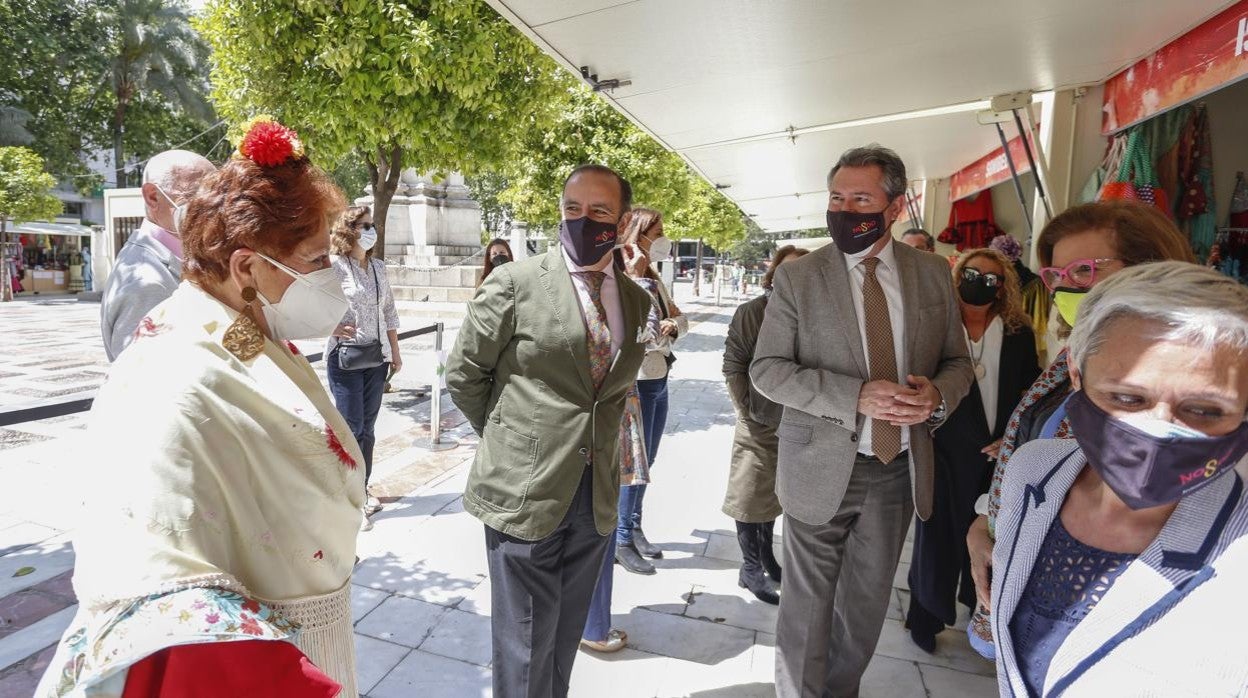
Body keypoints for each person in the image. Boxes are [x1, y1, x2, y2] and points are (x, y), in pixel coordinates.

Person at [37, 118, 363, 696]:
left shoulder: (243, 328)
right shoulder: (172, 378)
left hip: (310, 638)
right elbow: (164, 592)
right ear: (246, 268)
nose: (333, 279)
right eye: (316, 260)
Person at [751, 144, 974, 697]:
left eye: (860, 198)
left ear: (895, 207)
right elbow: (767, 370)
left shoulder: (931, 274)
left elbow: (959, 363)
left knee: (866, 605)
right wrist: (854, 396)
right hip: (819, 464)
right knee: (805, 608)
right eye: (836, 198)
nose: (844, 209)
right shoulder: (800, 277)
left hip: (896, 469)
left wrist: (936, 396)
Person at [991, 261, 1248, 696]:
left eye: (1204, 410)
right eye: (1128, 397)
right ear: (1076, 373)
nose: (1159, 429)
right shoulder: (1033, 470)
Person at [446, 164, 652, 698]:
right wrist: (513, 441)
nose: (584, 222)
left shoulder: (635, 300)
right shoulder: (513, 283)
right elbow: (465, 376)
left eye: (600, 212)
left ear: (623, 221)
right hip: (525, 490)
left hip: (595, 494)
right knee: (524, 648)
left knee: (562, 637)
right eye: (573, 210)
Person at [964, 200, 1197, 658]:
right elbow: (1034, 449)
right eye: (1057, 276)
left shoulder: (1188, 378)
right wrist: (983, 525)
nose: (1065, 288)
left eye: (1085, 271)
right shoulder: (1071, 361)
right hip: (1023, 586)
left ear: (1150, 268)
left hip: (1107, 619)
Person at [905, 248, 1040, 653]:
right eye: (972, 273)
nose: (979, 282)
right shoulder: (937, 325)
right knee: (936, 537)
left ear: (1003, 287)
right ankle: (924, 616)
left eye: (990, 277)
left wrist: (1013, 438)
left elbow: (1029, 389)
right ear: (957, 275)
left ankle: (975, 605)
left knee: (984, 536)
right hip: (943, 447)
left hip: (995, 453)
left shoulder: (1018, 331)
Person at [582, 231, 663, 652]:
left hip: (584, 427)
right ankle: (594, 627)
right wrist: (637, 282)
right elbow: (645, 337)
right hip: (608, 423)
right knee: (600, 525)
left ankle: (588, 623)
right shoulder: (627, 295)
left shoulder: (573, 289)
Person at [722, 244, 809, 605]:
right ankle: (750, 569)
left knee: (775, 497)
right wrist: (748, 409)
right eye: (786, 271)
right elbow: (733, 365)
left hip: (798, 425)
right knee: (749, 497)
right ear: (773, 274)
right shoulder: (753, 312)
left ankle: (767, 558)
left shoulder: (814, 316)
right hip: (758, 423)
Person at [613, 207, 687, 575]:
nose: (663, 238)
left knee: (649, 460)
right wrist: (638, 279)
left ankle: (634, 526)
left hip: (658, 377)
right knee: (633, 465)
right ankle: (620, 538)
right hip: (634, 383)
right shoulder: (622, 276)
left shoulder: (654, 278)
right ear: (638, 235)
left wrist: (674, 324)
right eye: (657, 231)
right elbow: (643, 332)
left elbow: (677, 320)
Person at [100, 149, 216, 361]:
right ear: (153, 196)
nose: (211, 208)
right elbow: (141, 379)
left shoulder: (177, 256)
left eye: (216, 196)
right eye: (196, 196)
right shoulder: (146, 283)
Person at [326, 205, 401, 531]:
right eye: (364, 225)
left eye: (372, 225)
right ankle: (346, 498)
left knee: (367, 430)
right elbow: (311, 303)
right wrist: (329, 325)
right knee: (351, 429)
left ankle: (363, 488)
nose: (371, 230)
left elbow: (390, 312)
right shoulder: (333, 267)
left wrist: (395, 352)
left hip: (375, 358)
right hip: (344, 359)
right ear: (348, 229)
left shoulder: (378, 268)